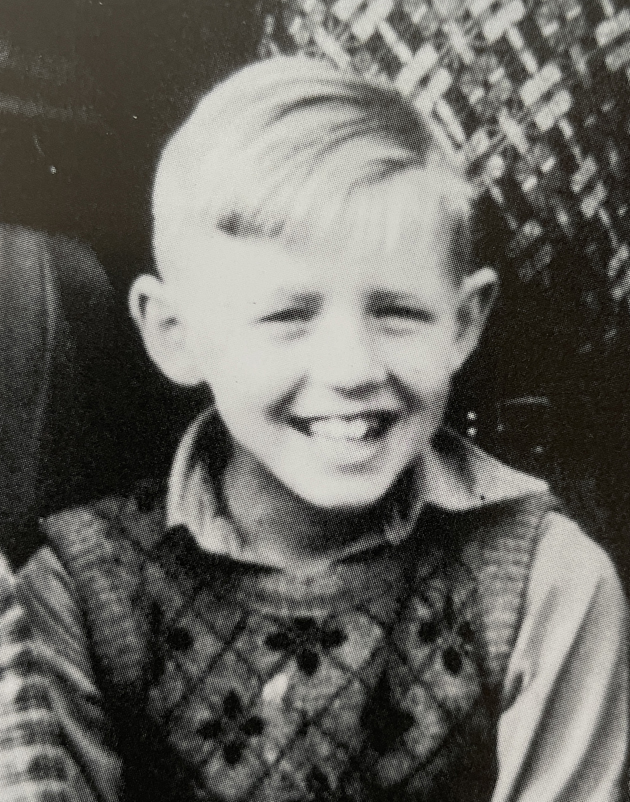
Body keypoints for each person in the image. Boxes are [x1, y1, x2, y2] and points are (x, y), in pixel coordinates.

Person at [4, 56, 627, 802]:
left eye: (398, 312)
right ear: (174, 333)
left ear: (463, 323)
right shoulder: (75, 592)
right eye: (287, 316)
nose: (352, 367)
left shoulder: (547, 583)